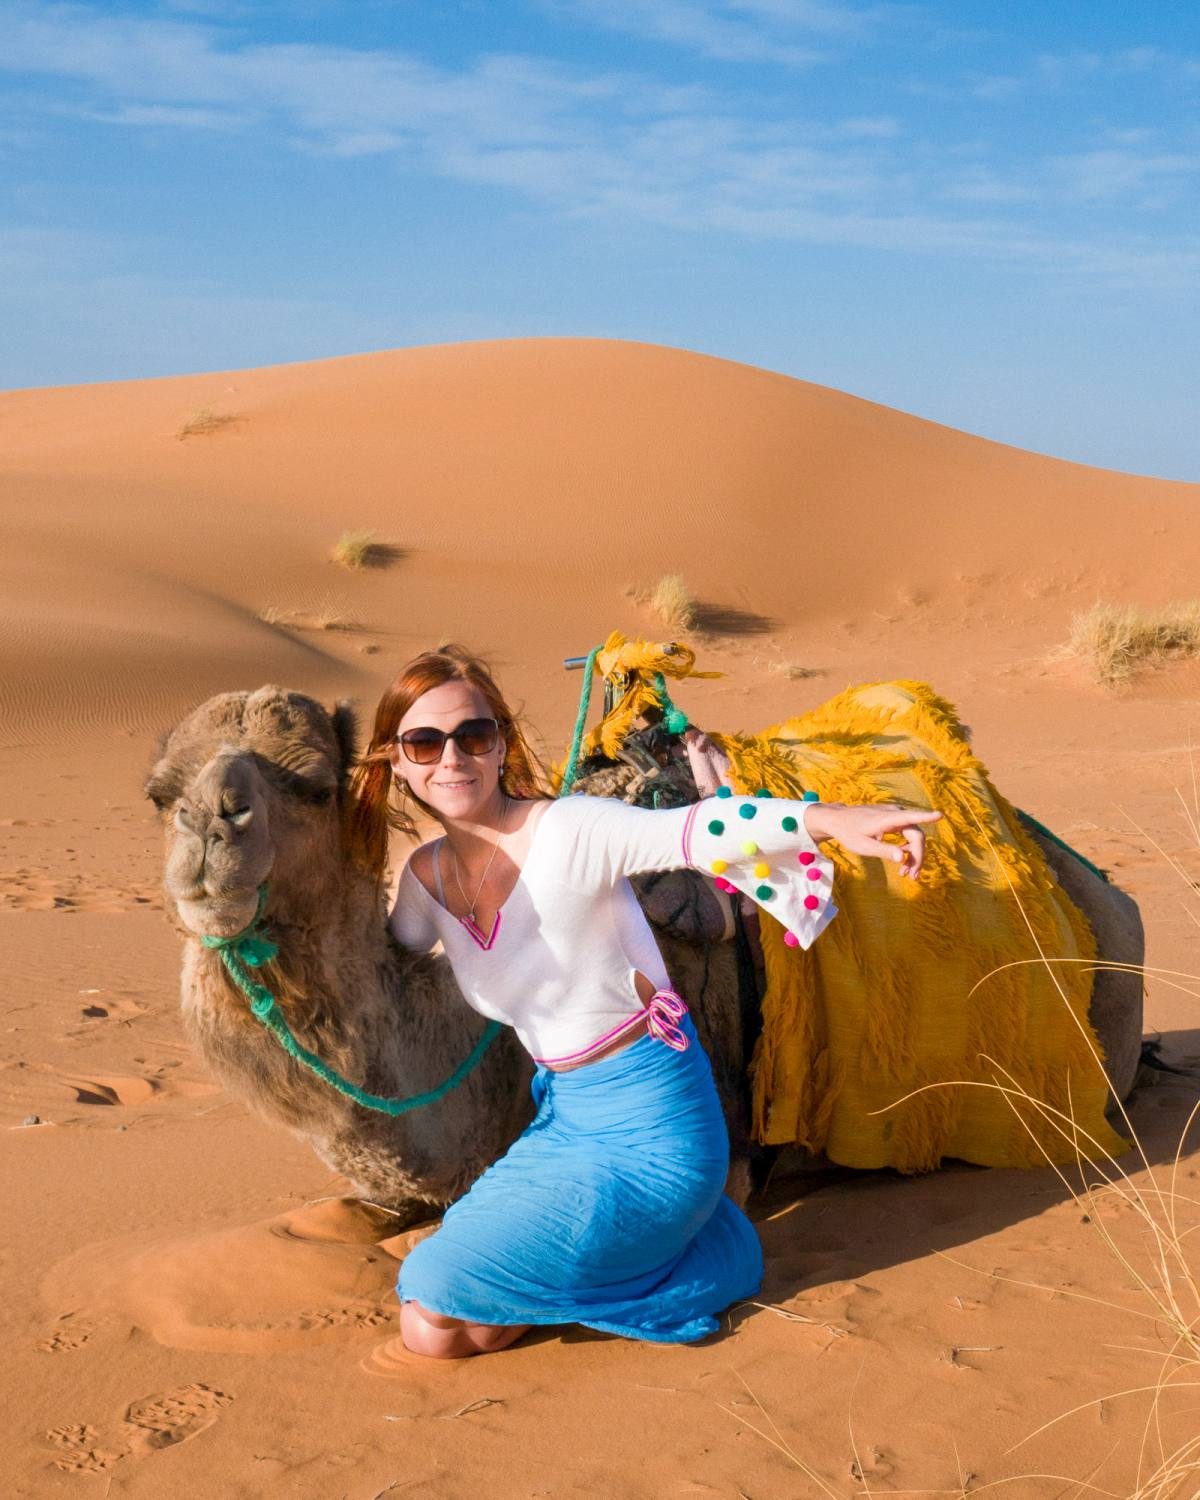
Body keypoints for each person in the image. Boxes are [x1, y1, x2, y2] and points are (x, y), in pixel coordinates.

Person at [351, 644, 941, 1359]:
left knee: (431, 1297)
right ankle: (692, 1242)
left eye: (473, 736)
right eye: (424, 741)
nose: (452, 759)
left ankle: (708, 1251)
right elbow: (378, 960)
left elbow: (697, 834)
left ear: (501, 742)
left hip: (657, 1126)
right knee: (451, 1330)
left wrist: (831, 821)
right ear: (397, 761)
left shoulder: (569, 828)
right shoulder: (423, 879)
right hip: (563, 1127)